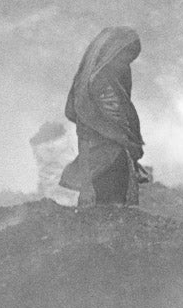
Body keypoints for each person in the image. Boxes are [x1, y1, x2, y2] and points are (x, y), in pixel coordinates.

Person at [60, 27, 147, 206]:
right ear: (110, 53)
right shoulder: (92, 88)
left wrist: (129, 150)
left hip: (119, 162)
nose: (125, 66)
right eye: (123, 59)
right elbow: (84, 135)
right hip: (99, 169)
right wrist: (86, 185)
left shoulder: (116, 84)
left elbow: (123, 125)